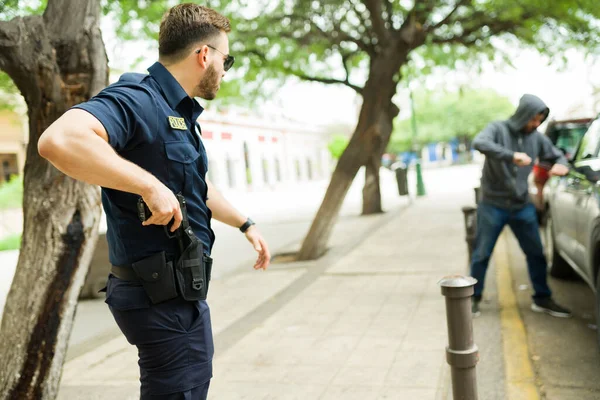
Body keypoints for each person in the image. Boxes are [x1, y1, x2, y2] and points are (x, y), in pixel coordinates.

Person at [38, 4, 270, 399]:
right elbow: (58, 141)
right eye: (225, 59)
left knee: (190, 386)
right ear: (204, 55)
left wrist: (245, 224)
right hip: (157, 295)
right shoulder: (138, 98)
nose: (225, 70)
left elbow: (196, 185)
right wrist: (149, 186)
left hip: (178, 292)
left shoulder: (177, 113)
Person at [470, 94, 570, 318]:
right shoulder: (498, 129)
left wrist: (561, 165)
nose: (535, 124)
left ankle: (542, 298)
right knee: (482, 253)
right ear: (522, 114)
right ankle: (473, 298)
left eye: (539, 121)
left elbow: (558, 156)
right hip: (492, 203)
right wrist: (511, 156)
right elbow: (479, 143)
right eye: (533, 119)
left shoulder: (536, 138)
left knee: (536, 252)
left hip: (521, 205)